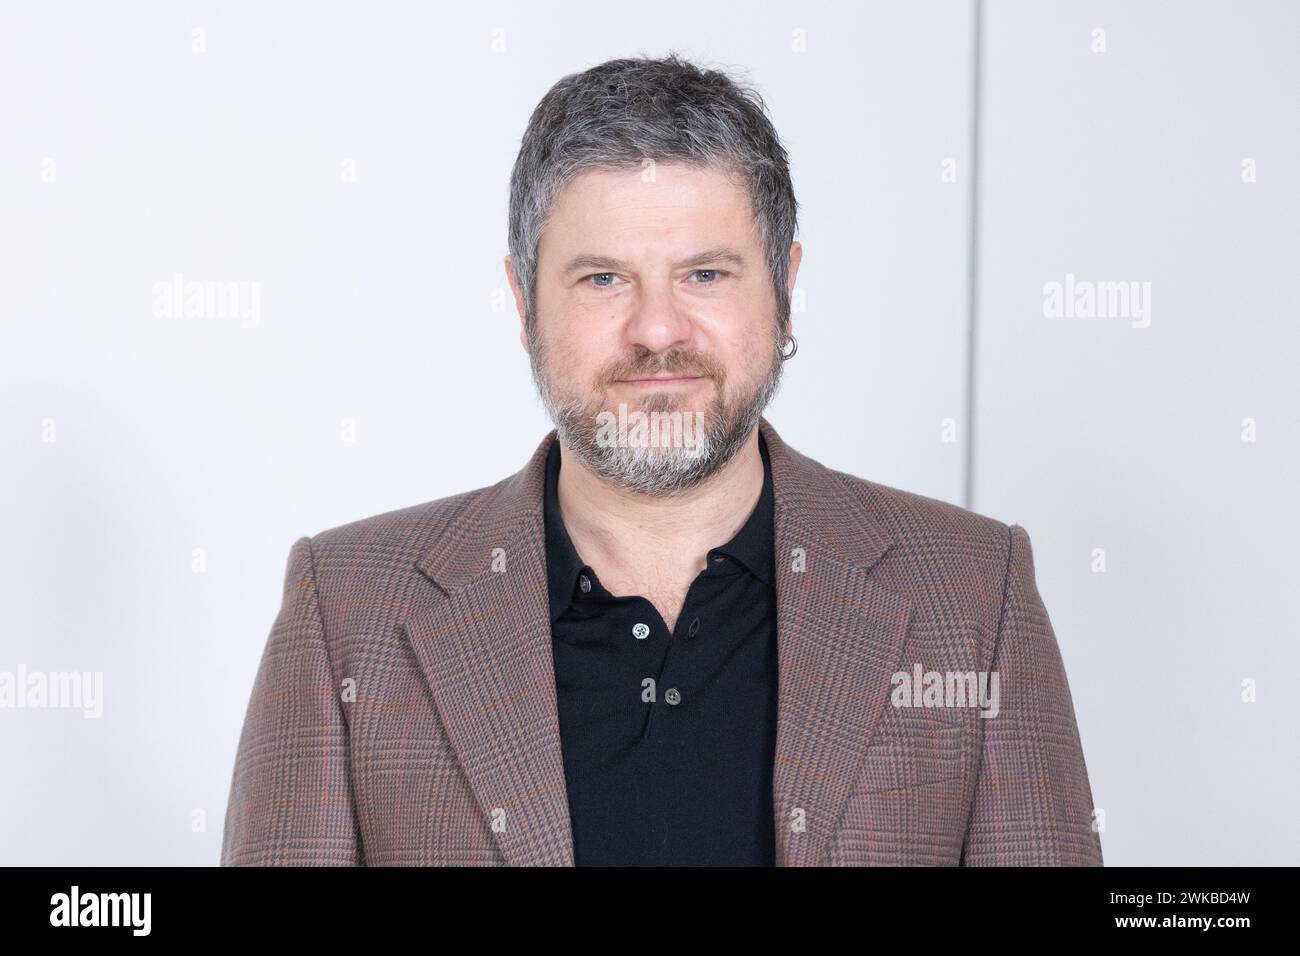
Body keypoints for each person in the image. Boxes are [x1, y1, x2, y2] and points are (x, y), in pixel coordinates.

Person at [221, 53, 1102, 866]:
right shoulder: (345, 610)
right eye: (603, 278)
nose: (657, 330)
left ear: (785, 291)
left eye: (706, 275)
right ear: (525, 306)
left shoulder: (975, 596)